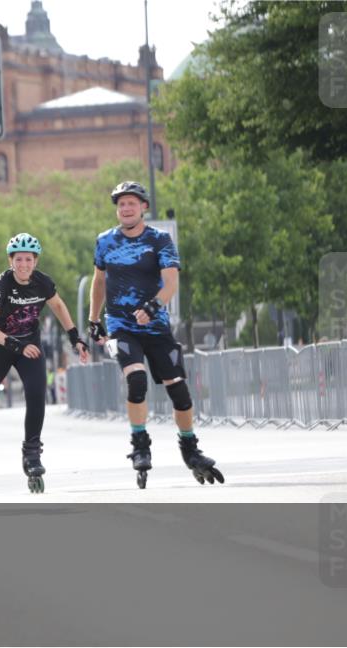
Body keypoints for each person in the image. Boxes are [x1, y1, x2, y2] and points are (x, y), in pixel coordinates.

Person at [88, 181, 225, 488]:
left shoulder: (160, 240)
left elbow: (171, 283)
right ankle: (139, 445)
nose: (126, 209)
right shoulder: (105, 241)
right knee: (136, 380)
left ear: (143, 207)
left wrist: (153, 306)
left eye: (132, 204)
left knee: (179, 390)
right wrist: (93, 319)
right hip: (121, 326)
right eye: (121, 204)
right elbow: (99, 282)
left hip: (156, 326)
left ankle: (190, 448)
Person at [0, 233, 90, 493]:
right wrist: (15, 344)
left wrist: (75, 336)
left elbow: (58, 306)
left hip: (29, 347)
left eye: (28, 260)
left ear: (35, 261)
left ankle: (32, 454)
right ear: (11, 261)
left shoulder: (42, 282)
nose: (23, 265)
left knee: (36, 394)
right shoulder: (3, 283)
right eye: (18, 259)